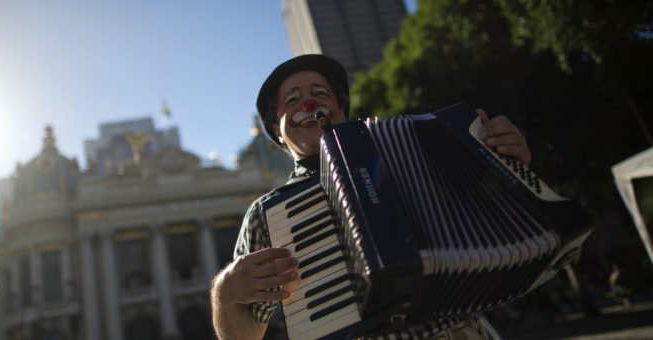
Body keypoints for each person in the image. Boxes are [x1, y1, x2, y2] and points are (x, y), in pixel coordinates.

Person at [211, 54, 532, 340]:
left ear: (340, 111)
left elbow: (499, 223)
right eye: (292, 100)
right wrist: (225, 293)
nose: (308, 104)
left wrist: (511, 168)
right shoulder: (266, 217)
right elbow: (245, 335)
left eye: (320, 94)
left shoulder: (411, 158)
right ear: (276, 130)